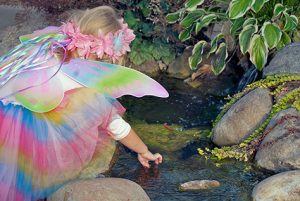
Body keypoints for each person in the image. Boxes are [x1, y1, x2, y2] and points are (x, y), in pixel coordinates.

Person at [0, 6, 168, 201]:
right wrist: (144, 151)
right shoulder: (91, 92)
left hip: (8, 121)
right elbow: (118, 127)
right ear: (107, 59)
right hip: (39, 148)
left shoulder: (46, 49)